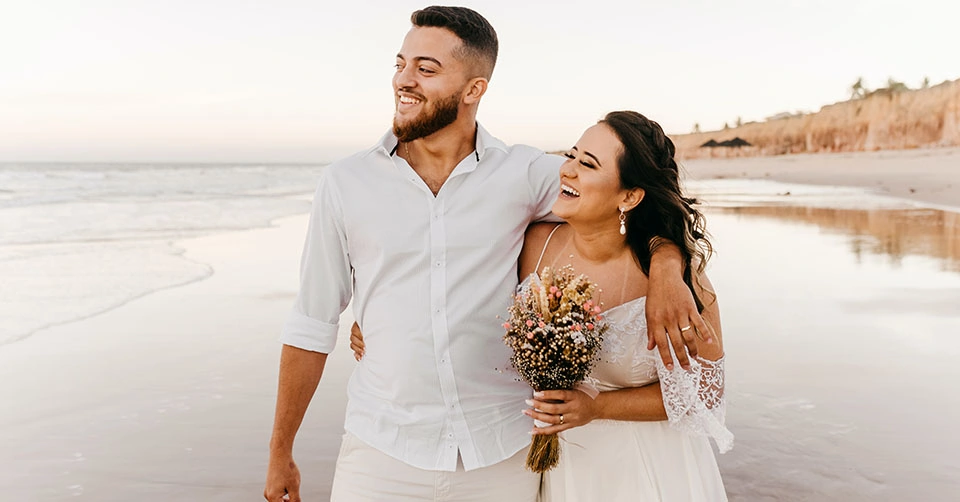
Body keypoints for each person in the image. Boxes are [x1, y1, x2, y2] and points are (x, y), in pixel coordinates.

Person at [264, 7, 707, 502]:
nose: (403, 81)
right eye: (400, 63)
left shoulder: (525, 173)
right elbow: (310, 323)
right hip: (380, 451)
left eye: (426, 69)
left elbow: (628, 202)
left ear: (474, 89)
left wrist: (667, 264)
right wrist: (280, 450)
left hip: (501, 453)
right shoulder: (345, 183)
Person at [352, 111, 732, 500]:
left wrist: (598, 407)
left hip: (647, 468)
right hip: (561, 468)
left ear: (630, 196)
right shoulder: (537, 245)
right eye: (572, 155)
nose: (567, 171)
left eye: (588, 164)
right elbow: (460, 279)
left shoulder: (679, 284)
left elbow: (704, 393)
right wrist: (381, 313)